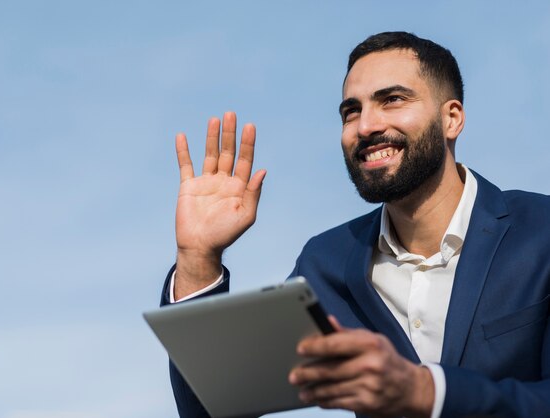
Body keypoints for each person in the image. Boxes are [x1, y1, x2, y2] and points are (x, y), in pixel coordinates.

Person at [160, 31, 550, 417]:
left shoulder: (541, 230)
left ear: (452, 118)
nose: (365, 126)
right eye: (351, 111)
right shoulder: (325, 262)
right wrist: (197, 257)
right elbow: (218, 406)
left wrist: (429, 393)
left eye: (392, 100)